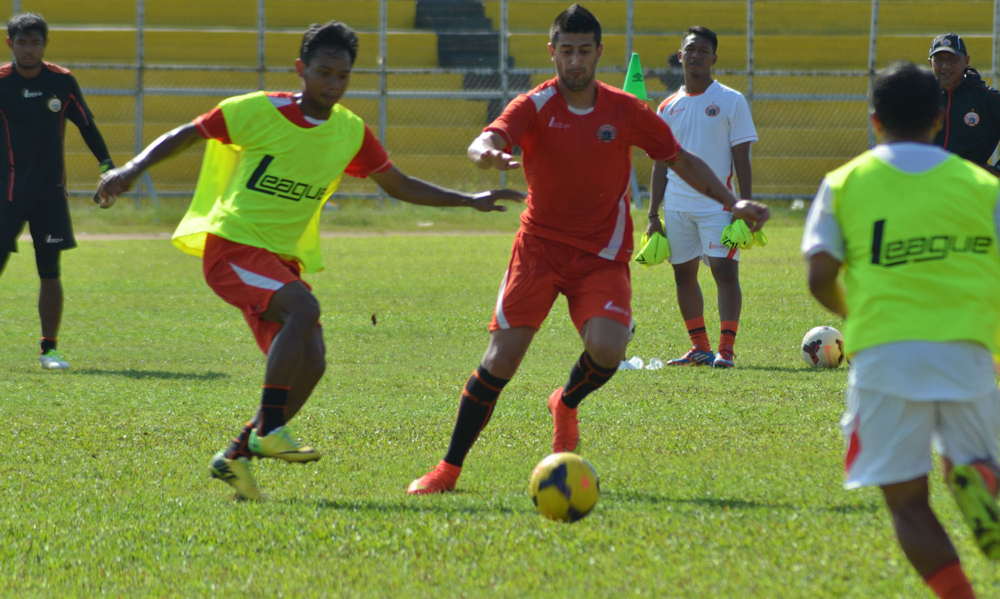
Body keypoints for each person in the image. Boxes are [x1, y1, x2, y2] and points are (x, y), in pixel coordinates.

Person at [96, 21, 522, 501]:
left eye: (343, 76)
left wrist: (470, 200)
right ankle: (270, 426)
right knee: (304, 309)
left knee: (313, 362)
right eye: (323, 72)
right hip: (233, 248)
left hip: (280, 262)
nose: (333, 84)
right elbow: (188, 133)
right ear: (301, 69)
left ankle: (236, 456)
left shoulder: (349, 132)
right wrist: (131, 169)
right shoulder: (258, 111)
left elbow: (398, 184)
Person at [407, 4, 769, 495]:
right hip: (538, 250)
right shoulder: (535, 105)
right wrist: (486, 152)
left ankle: (566, 402)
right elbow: (489, 136)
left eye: (584, 51)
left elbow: (680, 158)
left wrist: (732, 201)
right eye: (566, 51)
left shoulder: (624, 109)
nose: (575, 61)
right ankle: (447, 470)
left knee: (608, 347)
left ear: (598, 53)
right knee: (502, 360)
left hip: (601, 255)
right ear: (552, 51)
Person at [803, 61, 1000, 599]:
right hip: (970, 353)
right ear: (940, 120)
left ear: (874, 122)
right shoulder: (983, 187)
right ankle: (981, 478)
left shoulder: (844, 184)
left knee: (908, 503)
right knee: (978, 465)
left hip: (886, 356)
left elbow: (819, 274)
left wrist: (857, 311)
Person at [0, 12, 115, 370]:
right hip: (6, 196)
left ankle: (49, 350)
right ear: (10, 44)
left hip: (50, 195)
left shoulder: (62, 82)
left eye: (36, 42)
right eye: (22, 42)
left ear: (45, 44)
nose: (29, 49)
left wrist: (108, 169)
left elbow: (87, 126)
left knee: (50, 272)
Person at [646, 26, 758, 368]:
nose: (696, 55)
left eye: (703, 51)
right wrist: (653, 215)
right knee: (683, 276)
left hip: (718, 207)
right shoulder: (667, 107)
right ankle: (699, 347)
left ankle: (726, 350)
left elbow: (742, 159)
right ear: (680, 55)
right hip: (677, 208)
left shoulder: (731, 100)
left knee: (725, 273)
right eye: (690, 49)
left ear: (714, 58)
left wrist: (744, 207)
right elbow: (660, 165)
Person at [928, 33, 1000, 176]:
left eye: (953, 59)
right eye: (939, 60)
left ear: (966, 61)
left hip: (971, 189)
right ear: (931, 63)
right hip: (928, 186)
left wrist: (996, 170)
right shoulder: (923, 97)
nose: (946, 66)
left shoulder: (987, 98)